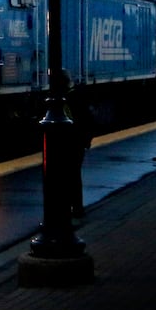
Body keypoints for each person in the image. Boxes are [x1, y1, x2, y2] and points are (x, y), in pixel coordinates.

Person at [59, 69, 94, 218]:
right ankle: (76, 207)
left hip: (69, 142)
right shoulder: (76, 97)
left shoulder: (67, 99)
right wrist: (87, 140)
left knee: (67, 176)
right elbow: (88, 119)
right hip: (77, 141)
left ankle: (70, 207)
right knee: (73, 175)